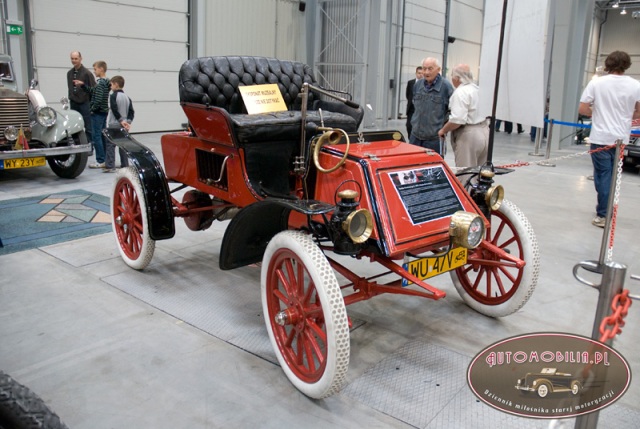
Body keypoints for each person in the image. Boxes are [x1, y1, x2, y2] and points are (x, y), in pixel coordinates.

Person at [578, 50, 640, 228]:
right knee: (613, 175)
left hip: (601, 137)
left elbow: (583, 108)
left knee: (603, 175)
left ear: (608, 64)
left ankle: (603, 214)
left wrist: (597, 114)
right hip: (622, 138)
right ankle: (607, 207)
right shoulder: (635, 85)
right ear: (627, 64)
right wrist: (628, 116)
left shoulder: (597, 83)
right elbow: (638, 111)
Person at [437, 64, 488, 168]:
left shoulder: (460, 93)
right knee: (482, 172)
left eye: (452, 76)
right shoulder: (477, 89)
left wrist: (443, 130)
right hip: (484, 131)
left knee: (466, 172)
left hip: (469, 134)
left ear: (457, 78)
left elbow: (457, 120)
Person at [409, 57, 454, 155]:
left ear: (438, 70)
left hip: (434, 140)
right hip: (415, 137)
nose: (426, 72)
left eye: (430, 69)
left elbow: (452, 112)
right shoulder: (418, 85)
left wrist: (443, 130)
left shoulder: (446, 87)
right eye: (424, 69)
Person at [76, 61, 110, 168]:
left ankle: (100, 160)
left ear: (101, 69)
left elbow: (98, 98)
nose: (94, 71)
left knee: (96, 137)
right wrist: (83, 86)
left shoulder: (100, 83)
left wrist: (92, 109)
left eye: (95, 69)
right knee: (102, 135)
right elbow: (93, 91)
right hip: (103, 112)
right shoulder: (105, 82)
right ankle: (106, 159)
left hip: (98, 113)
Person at [104, 75, 134, 173]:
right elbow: (131, 112)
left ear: (116, 85)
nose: (110, 87)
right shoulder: (127, 98)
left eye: (111, 85)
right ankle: (125, 165)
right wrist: (127, 122)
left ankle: (110, 166)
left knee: (110, 145)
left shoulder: (113, 96)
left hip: (114, 124)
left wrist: (121, 120)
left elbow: (114, 108)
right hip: (124, 126)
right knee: (123, 146)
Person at [67, 51, 96, 142]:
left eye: (76, 58)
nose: (74, 60)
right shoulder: (69, 73)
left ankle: (90, 146)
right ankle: (78, 145)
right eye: (72, 58)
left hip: (85, 103)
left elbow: (93, 88)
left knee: (88, 126)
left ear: (80, 59)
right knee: (75, 125)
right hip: (74, 102)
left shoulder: (87, 73)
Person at [405, 66, 423, 139]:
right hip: (411, 108)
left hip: (420, 109)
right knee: (409, 125)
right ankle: (410, 139)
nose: (420, 75)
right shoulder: (410, 83)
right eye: (419, 73)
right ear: (416, 73)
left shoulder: (425, 84)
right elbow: (407, 94)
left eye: (422, 73)